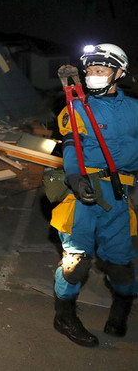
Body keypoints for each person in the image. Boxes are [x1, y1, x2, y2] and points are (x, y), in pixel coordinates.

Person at [50, 43, 138, 347]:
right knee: (76, 261)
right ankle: (64, 316)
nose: (91, 76)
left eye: (100, 70)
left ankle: (122, 308)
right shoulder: (77, 106)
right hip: (84, 191)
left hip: (118, 194)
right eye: (89, 70)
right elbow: (72, 145)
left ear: (119, 73)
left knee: (120, 263)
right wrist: (74, 177)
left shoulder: (135, 110)